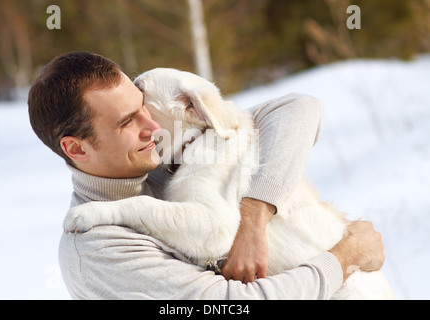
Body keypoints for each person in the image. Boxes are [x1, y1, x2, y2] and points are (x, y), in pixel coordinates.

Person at [28, 51, 385, 299]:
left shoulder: (165, 164)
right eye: (126, 121)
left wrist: (255, 218)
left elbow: (299, 108)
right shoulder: (96, 248)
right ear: (76, 149)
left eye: (144, 107)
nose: (151, 125)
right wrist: (346, 256)